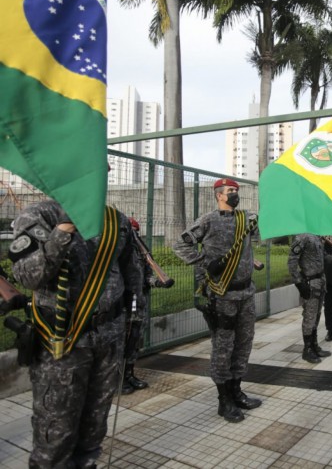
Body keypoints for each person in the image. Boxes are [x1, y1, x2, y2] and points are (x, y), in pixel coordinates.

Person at [10, 201, 143, 468]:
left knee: (95, 421)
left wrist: (136, 323)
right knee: (56, 428)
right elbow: (28, 277)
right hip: (62, 339)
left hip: (109, 335)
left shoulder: (115, 219)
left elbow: (133, 276)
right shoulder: (40, 215)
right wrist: (62, 231)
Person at [173, 178, 262, 422]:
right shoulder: (208, 220)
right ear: (219, 195)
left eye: (236, 191)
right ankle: (224, 400)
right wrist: (204, 263)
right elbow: (180, 244)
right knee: (224, 346)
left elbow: (258, 237)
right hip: (221, 294)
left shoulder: (246, 219)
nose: (235, 194)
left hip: (246, 292)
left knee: (244, 343)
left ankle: (237, 391)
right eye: (230, 191)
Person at [121, 217, 173, 395]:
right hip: (123, 303)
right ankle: (117, 379)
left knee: (135, 339)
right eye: (131, 232)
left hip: (139, 301)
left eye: (136, 232)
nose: (135, 236)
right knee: (122, 341)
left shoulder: (143, 253)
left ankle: (129, 374)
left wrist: (159, 282)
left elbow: (147, 277)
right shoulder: (118, 253)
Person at [287, 233, 332, 364]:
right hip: (310, 282)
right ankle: (307, 350)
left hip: (320, 280)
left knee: (317, 315)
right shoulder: (302, 237)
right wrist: (299, 283)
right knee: (310, 315)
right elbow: (291, 261)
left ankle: (314, 345)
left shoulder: (317, 236)